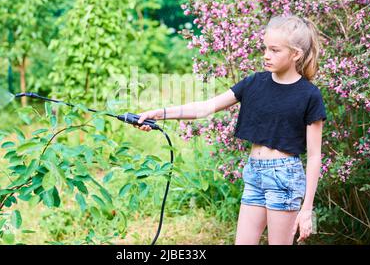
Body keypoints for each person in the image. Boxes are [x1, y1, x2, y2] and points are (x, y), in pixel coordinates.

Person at [133, 14, 327, 245]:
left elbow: (315, 156)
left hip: (284, 178)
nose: (266, 55)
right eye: (265, 48)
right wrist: (159, 113)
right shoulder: (254, 83)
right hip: (254, 173)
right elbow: (206, 107)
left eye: (275, 50)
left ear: (295, 54)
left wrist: (307, 210)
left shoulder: (309, 95)